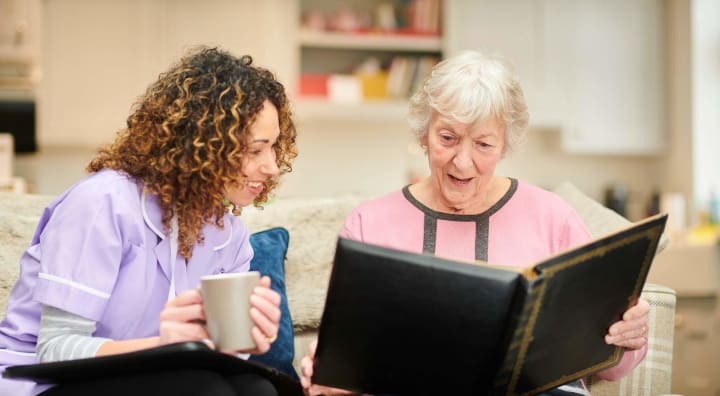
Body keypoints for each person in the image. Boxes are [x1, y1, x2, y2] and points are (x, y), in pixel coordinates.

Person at [300, 50, 650, 396]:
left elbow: (611, 365)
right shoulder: (368, 225)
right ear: (424, 134)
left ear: (504, 145)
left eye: (483, 144)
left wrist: (628, 335)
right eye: (447, 138)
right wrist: (331, 375)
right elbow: (346, 355)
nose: (463, 162)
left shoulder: (552, 217)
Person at [0, 46, 298, 396]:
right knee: (203, 388)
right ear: (200, 144)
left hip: (152, 377)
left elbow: (218, 353)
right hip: (43, 383)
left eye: (275, 147)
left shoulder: (228, 233)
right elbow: (54, 351)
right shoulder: (103, 203)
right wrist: (164, 344)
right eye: (254, 149)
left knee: (258, 388)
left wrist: (248, 339)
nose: (273, 166)